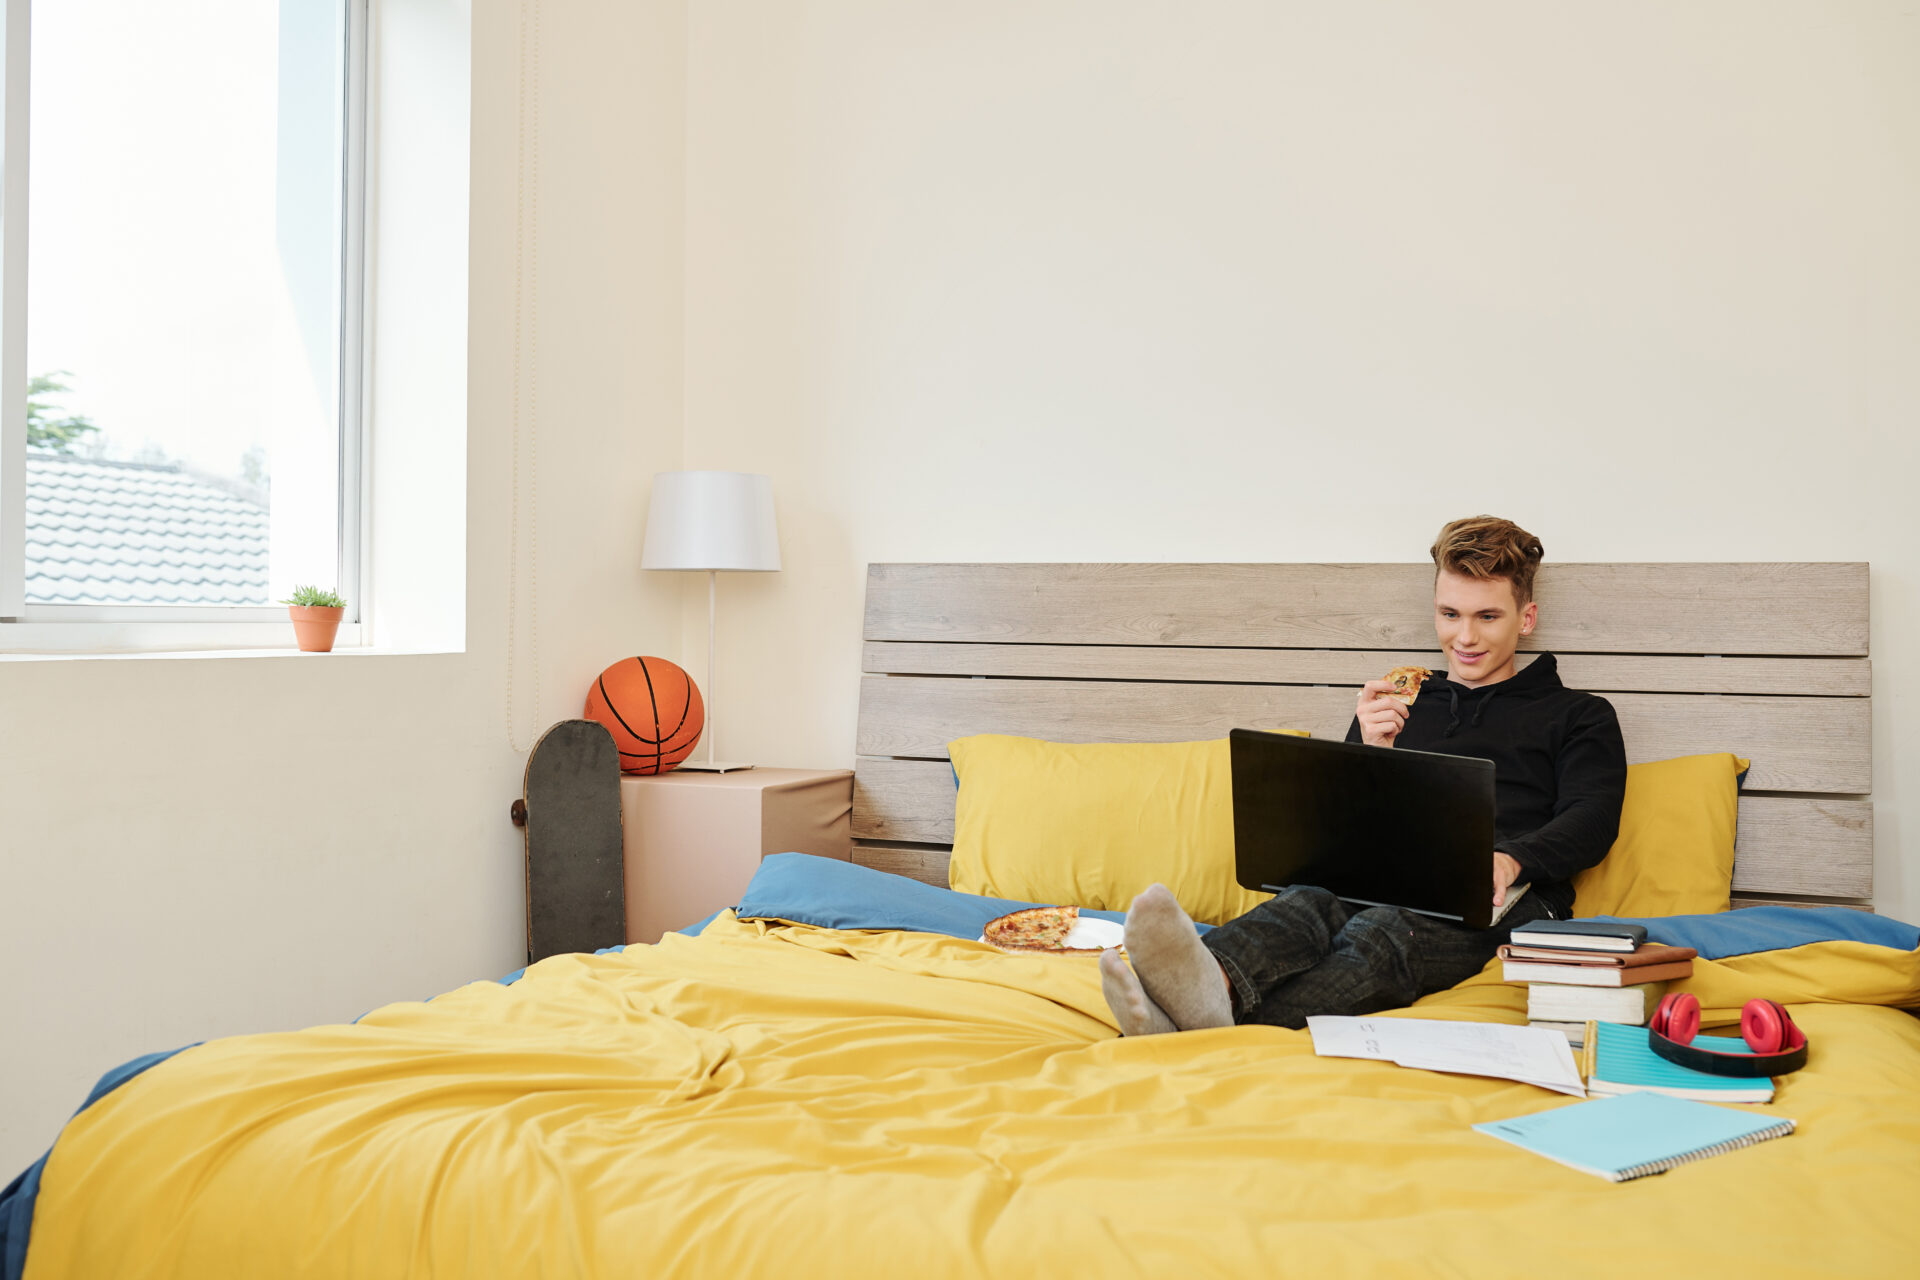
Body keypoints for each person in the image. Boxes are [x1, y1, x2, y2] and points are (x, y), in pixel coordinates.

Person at [1100, 515, 1628, 1035]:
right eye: (1449, 614)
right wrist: (1374, 751)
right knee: (1303, 902)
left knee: (1383, 932)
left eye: (1487, 616)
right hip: (1386, 875)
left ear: (1526, 618)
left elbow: (1592, 818)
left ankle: (1198, 1025)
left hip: (1502, 898)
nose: (1464, 637)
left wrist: (1509, 860)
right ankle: (1207, 983)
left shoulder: (1579, 715)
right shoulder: (1397, 700)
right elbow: (1340, 833)